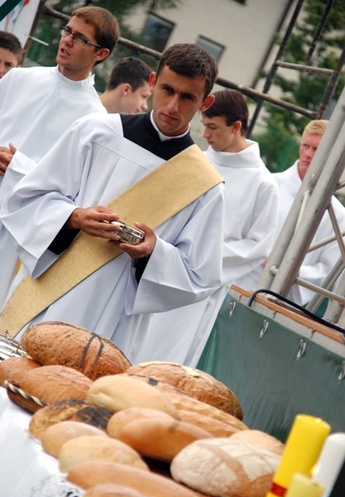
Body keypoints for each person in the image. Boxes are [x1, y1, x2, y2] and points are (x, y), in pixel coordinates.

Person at [0, 43, 225, 366]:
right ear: (152, 81)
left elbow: (200, 277)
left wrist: (153, 253)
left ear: (206, 102)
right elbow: (27, 196)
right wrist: (73, 217)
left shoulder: (204, 186)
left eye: (187, 97)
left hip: (113, 320)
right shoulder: (97, 132)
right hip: (47, 294)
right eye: (167, 90)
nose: (173, 106)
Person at [136, 88, 278, 366]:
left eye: (213, 127)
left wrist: (199, 258)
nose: (206, 135)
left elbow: (256, 247)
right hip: (158, 268)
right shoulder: (194, 160)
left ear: (236, 127)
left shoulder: (263, 183)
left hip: (200, 287)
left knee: (165, 360)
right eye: (205, 126)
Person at [0, 6, 119, 309]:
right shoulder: (18, 79)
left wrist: (20, 168)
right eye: (67, 31)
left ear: (101, 54)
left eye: (80, 38)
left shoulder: (95, 121)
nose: (66, 40)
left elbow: (75, 194)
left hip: (18, 231)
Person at [272, 119, 345, 305]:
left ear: (330, 155)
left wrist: (291, 270)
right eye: (306, 146)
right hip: (237, 285)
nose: (308, 155)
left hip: (285, 302)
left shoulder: (337, 215)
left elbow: (327, 270)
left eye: (317, 150)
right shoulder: (270, 185)